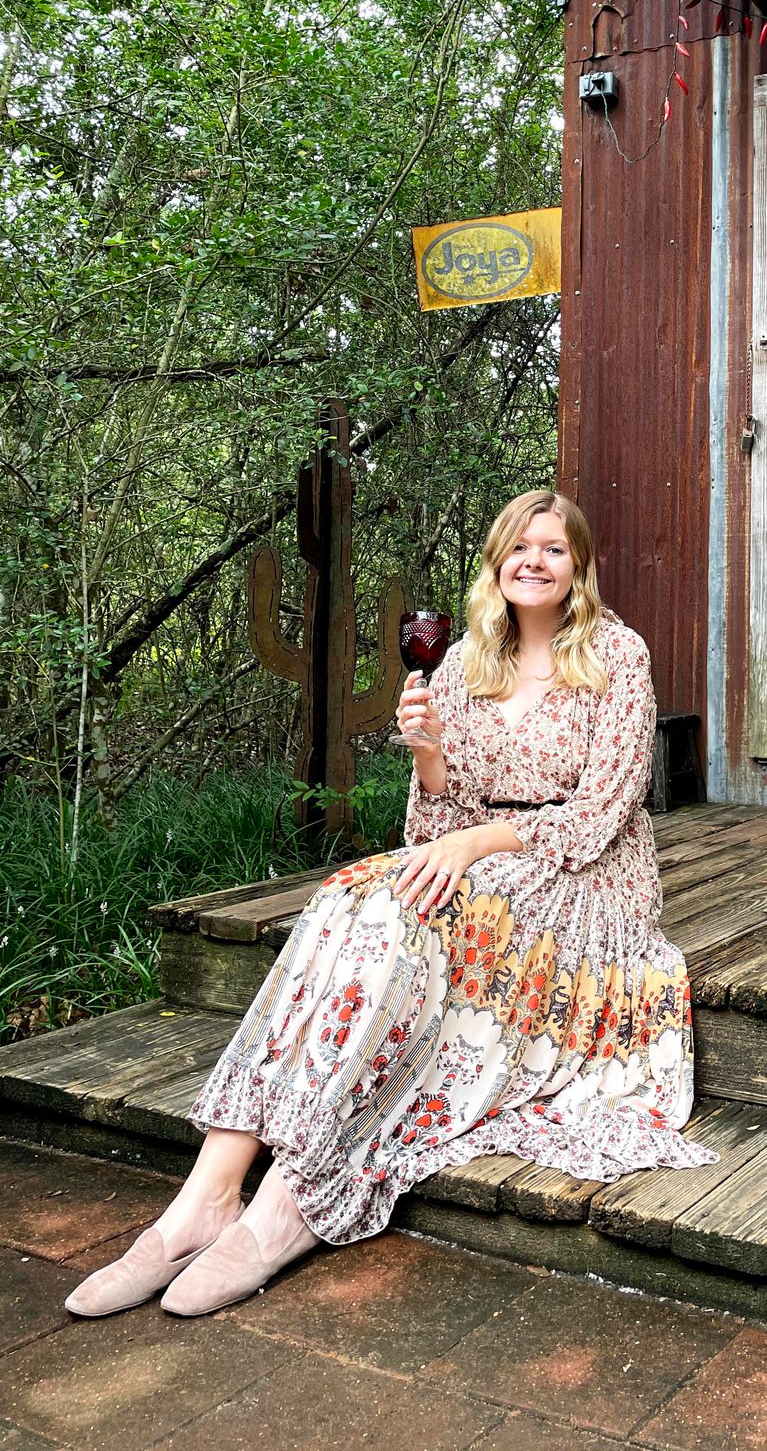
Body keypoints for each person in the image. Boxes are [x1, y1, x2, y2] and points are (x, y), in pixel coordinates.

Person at [64, 489, 721, 1319]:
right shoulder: (464, 661)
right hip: (481, 859)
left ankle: (289, 1204)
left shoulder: (617, 654)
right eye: (519, 547)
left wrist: (475, 846)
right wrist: (428, 755)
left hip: (586, 882)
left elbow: (603, 813)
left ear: (579, 567)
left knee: (422, 912)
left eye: (553, 549)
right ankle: (207, 1196)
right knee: (348, 897)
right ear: (496, 562)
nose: (534, 562)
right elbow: (433, 826)